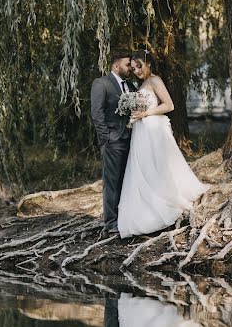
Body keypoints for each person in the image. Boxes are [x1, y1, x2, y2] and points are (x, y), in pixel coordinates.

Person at [117, 50, 210, 238]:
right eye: (133, 68)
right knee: (145, 167)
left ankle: (166, 204)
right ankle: (146, 208)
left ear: (148, 63)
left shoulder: (155, 81)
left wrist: (145, 114)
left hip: (153, 130)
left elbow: (169, 105)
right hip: (142, 131)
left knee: (157, 166)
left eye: (139, 66)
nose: (136, 70)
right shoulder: (142, 84)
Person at [90, 51, 136, 235]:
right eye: (127, 65)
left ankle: (124, 217)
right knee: (112, 182)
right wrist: (107, 138)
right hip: (113, 141)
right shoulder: (102, 84)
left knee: (126, 180)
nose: (131, 68)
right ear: (116, 66)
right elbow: (97, 114)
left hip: (131, 140)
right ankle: (110, 223)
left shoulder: (131, 85)